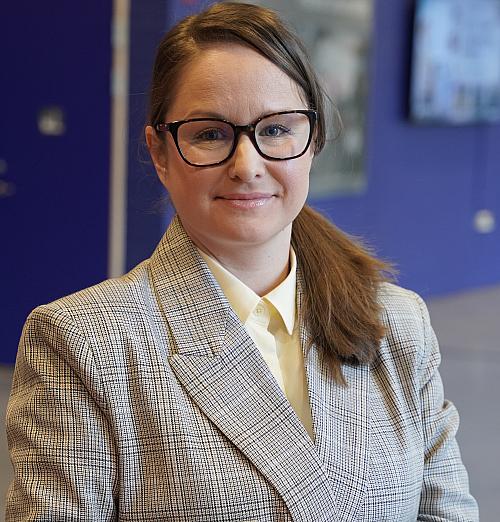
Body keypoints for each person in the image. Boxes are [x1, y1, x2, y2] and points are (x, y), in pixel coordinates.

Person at [6, 3, 479, 521]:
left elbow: (445, 510)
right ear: (160, 153)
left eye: (276, 130)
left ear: (313, 140)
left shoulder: (397, 322)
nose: (247, 165)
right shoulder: (85, 344)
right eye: (210, 134)